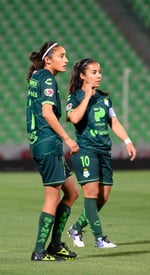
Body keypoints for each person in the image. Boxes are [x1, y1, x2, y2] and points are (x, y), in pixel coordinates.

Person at [66, 58, 136, 248]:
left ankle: (76, 228)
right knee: (91, 193)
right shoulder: (75, 98)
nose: (99, 76)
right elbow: (73, 118)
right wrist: (87, 96)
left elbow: (114, 122)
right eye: (94, 72)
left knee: (103, 197)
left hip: (104, 151)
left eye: (99, 72)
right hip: (86, 151)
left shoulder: (105, 99)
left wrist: (127, 141)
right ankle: (99, 238)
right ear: (82, 76)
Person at [26, 41, 80, 261]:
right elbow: (47, 113)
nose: (66, 60)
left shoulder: (38, 76)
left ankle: (55, 245)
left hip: (44, 144)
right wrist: (67, 138)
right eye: (61, 55)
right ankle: (39, 251)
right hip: (48, 143)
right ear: (48, 59)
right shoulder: (47, 78)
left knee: (72, 192)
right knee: (52, 195)